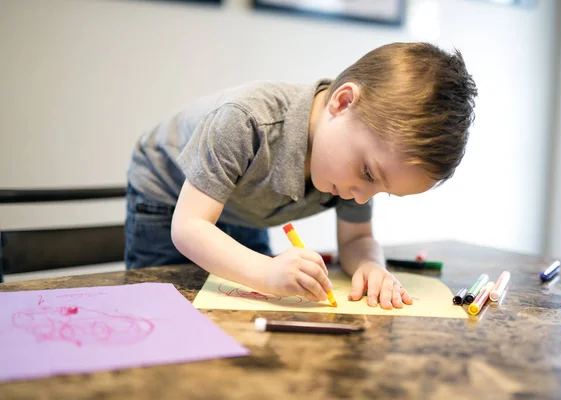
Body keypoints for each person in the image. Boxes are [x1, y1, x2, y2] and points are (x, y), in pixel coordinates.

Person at [125, 42, 478, 310]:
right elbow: (189, 228)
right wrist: (265, 272)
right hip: (169, 195)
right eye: (368, 173)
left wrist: (371, 265)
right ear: (341, 103)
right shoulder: (247, 120)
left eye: (381, 192)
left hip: (244, 204)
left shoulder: (353, 171)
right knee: (164, 309)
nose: (360, 197)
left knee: (240, 309)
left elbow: (356, 239)